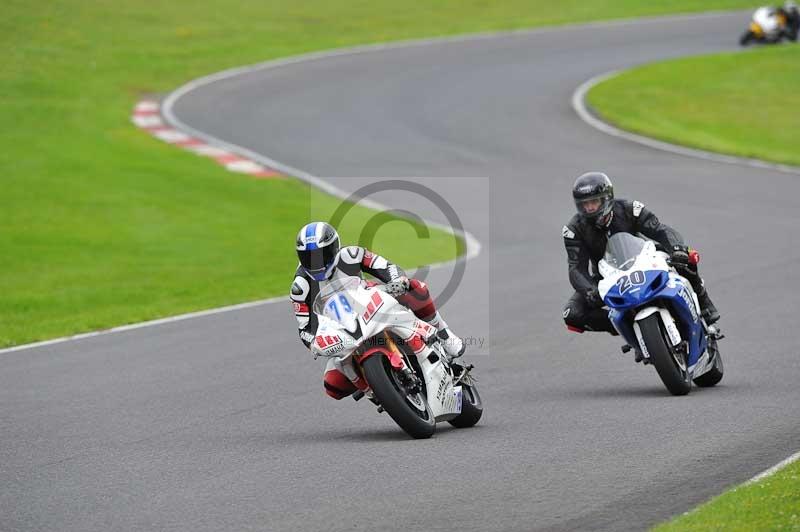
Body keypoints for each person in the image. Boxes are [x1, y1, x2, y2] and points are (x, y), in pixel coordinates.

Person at [290, 221, 465, 400]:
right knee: (332, 385)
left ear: (334, 248)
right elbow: (305, 328)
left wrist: (398, 280)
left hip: (368, 299)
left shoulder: (351, 255)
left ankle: (443, 334)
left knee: (416, 288)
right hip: (341, 327)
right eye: (309, 257)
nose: (316, 262)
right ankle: (374, 390)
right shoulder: (300, 287)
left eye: (321, 255)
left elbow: (386, 267)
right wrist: (314, 344)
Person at [561, 172, 720, 338]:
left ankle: (705, 307)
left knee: (686, 257)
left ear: (607, 198)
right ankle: (630, 328)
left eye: (594, 201)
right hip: (607, 276)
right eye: (584, 204)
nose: (590, 208)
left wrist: (676, 248)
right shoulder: (573, 230)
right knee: (572, 314)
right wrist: (589, 290)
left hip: (643, 259)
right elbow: (576, 268)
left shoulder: (630, 209)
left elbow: (660, 230)